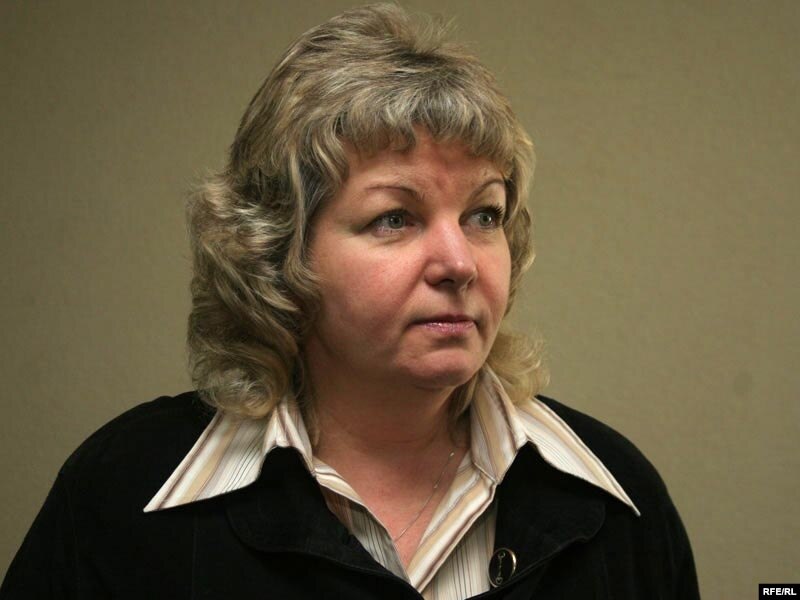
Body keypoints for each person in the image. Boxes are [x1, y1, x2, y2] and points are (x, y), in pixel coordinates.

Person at [1, 4, 700, 599]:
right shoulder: (122, 495)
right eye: (395, 218)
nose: (459, 262)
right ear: (278, 252)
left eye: (484, 215)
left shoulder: (617, 502)